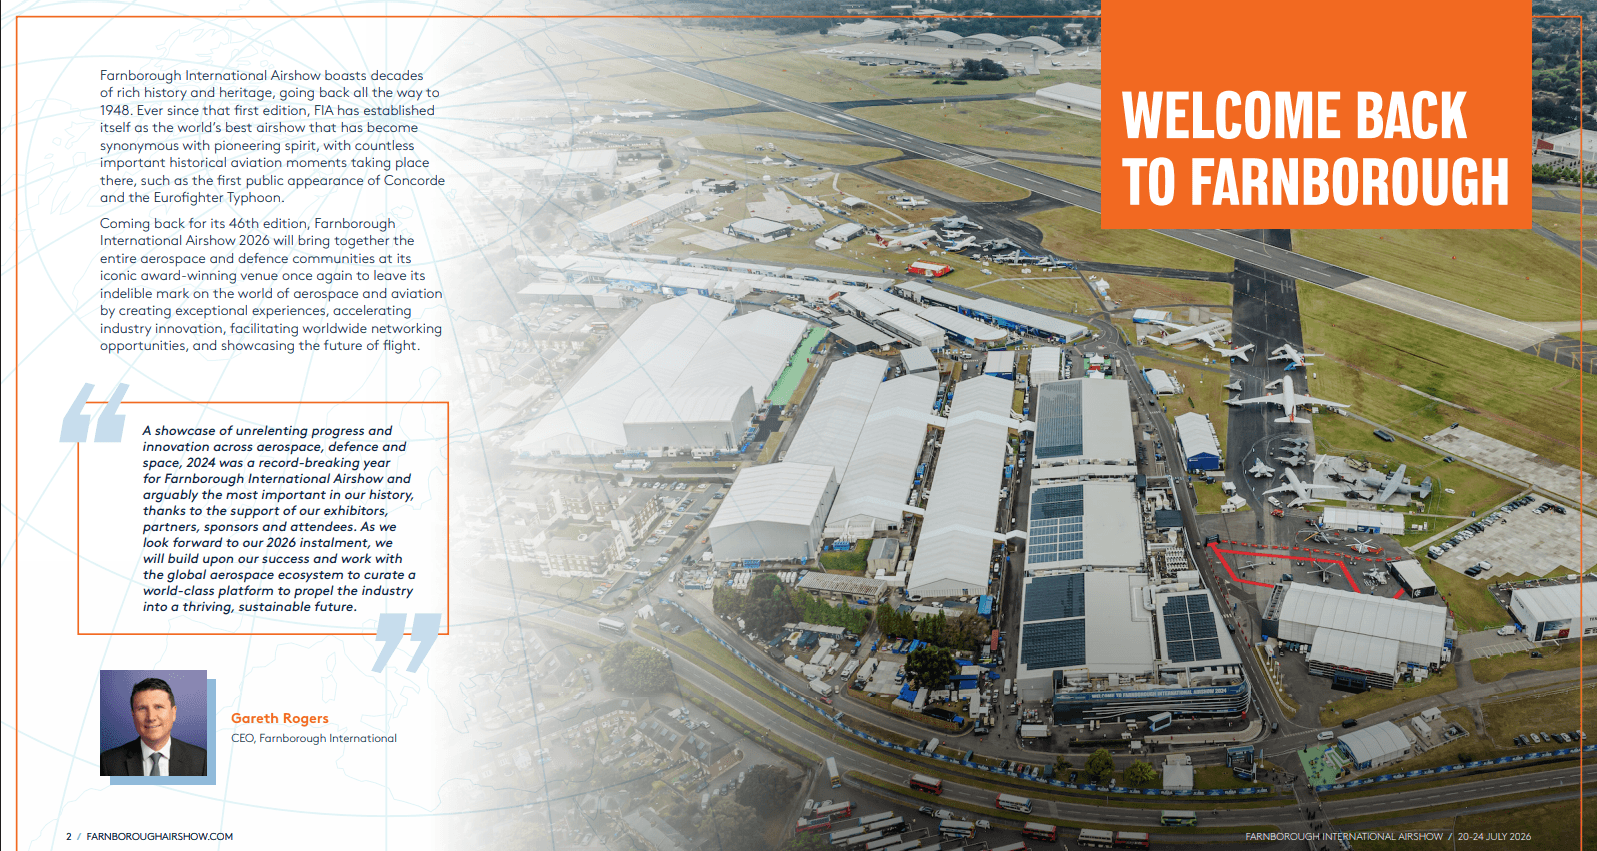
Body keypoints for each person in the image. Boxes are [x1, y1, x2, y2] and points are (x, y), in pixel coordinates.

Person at [100, 677, 207, 776]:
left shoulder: (202, 760)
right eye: (142, 708)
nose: (151, 717)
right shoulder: (108, 763)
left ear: (173, 713)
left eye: (159, 707)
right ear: (133, 715)